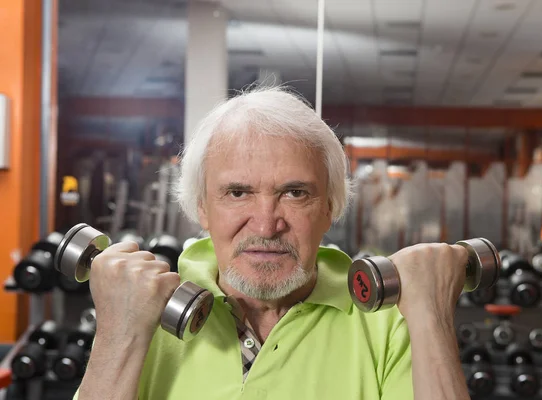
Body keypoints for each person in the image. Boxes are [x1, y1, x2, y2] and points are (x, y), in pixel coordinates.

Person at [75, 87, 470, 400]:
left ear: (331, 206)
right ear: (202, 207)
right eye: (237, 192)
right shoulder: (143, 317)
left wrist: (432, 318)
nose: (266, 225)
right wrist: (118, 335)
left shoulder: (390, 326)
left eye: (295, 193)